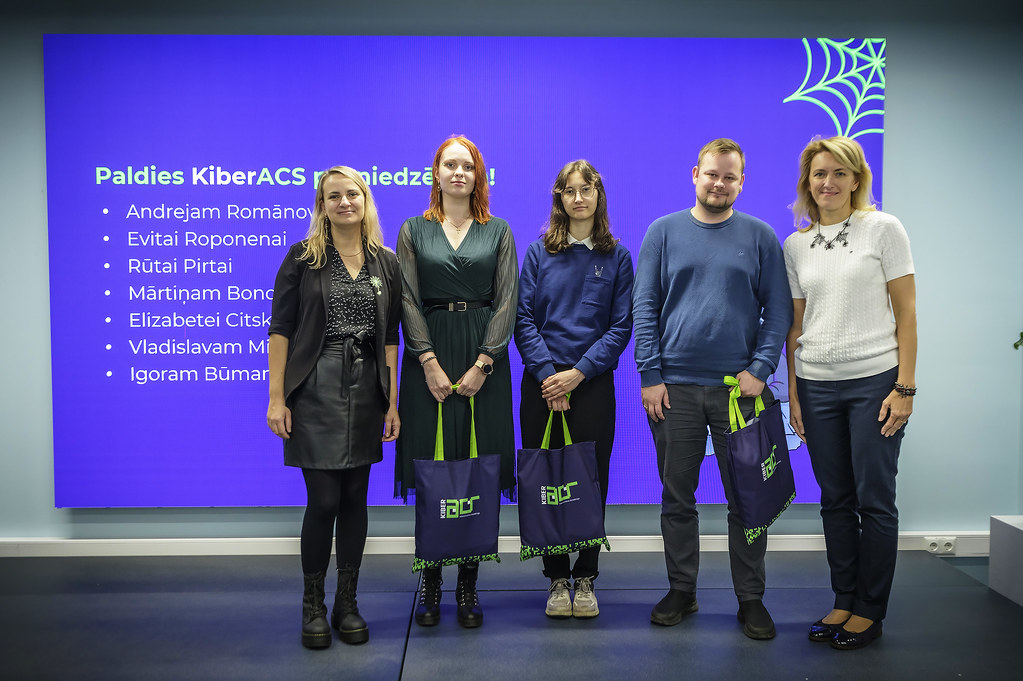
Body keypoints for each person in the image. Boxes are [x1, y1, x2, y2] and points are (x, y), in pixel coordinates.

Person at [633, 138, 792, 640]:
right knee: (677, 498)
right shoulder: (662, 232)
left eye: (729, 177)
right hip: (674, 390)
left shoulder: (761, 236)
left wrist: (761, 369)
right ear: (695, 174)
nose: (719, 184)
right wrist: (650, 375)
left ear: (741, 182)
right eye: (711, 174)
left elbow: (779, 312)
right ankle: (682, 589)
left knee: (748, 500)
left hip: (739, 393)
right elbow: (644, 307)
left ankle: (751, 598)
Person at [784, 136, 916, 650]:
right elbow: (796, 328)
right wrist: (795, 396)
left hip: (876, 383)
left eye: (840, 172)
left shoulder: (883, 229)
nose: (829, 182)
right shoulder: (795, 246)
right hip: (816, 385)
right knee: (835, 501)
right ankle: (844, 599)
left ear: (857, 179)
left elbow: (907, 314)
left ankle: (870, 610)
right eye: (820, 173)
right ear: (808, 181)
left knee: (874, 500)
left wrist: (905, 387)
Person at [266, 166, 401, 649]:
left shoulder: (386, 262)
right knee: (323, 501)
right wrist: (276, 398)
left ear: (365, 200)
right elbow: (280, 330)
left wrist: (392, 402)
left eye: (352, 194)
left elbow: (390, 338)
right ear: (321, 206)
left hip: (366, 388)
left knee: (354, 500)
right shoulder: (302, 258)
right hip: (315, 386)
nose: (344, 202)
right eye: (334, 196)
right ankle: (313, 606)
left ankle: (347, 603)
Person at [395, 135, 518, 629]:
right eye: (450, 165)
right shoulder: (413, 229)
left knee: (476, 471)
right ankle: (430, 579)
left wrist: (484, 364)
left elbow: (506, 300)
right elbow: (406, 299)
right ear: (437, 173)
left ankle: (468, 582)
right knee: (433, 469)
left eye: (467, 166)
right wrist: (427, 361)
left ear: (478, 174)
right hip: (428, 356)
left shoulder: (499, 230)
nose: (459, 173)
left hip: (484, 360)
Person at [515, 160, 634, 619]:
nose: (579, 198)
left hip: (592, 385)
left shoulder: (617, 257)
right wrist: (550, 376)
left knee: (590, 480)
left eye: (586, 189)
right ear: (559, 198)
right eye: (570, 190)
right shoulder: (538, 253)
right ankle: (556, 578)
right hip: (542, 386)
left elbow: (620, 327)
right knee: (546, 482)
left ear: (598, 195)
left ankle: (585, 576)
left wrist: (578, 374)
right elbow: (523, 320)